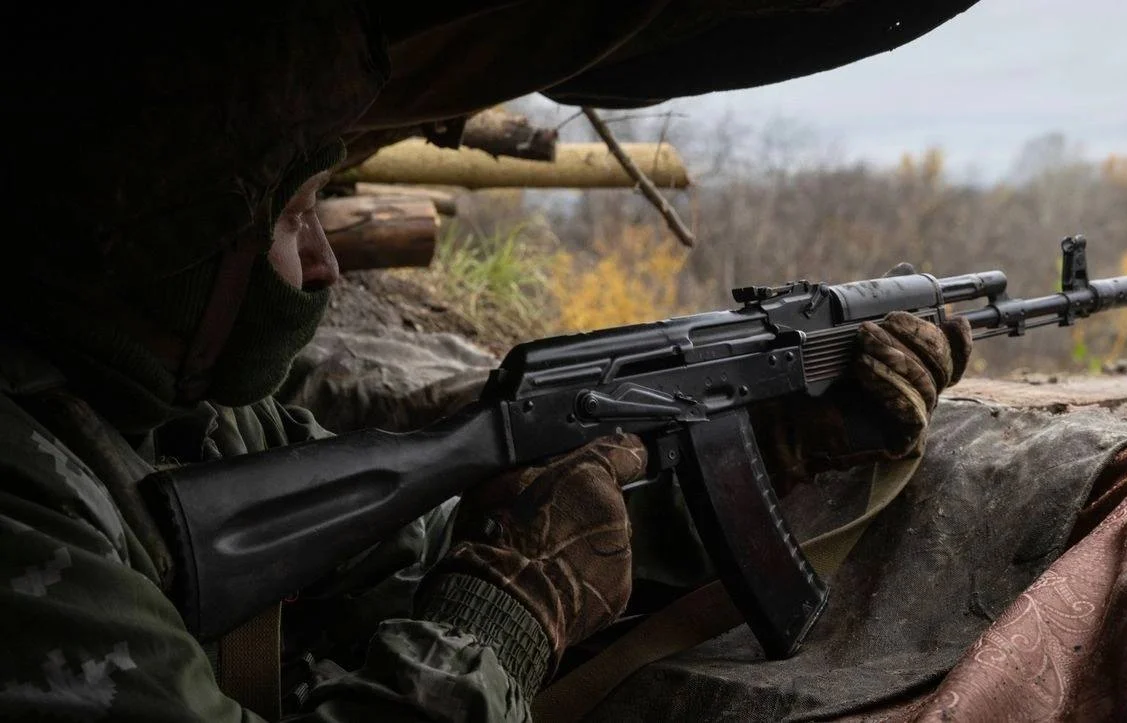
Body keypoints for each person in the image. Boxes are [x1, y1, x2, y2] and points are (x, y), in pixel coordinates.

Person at [0, 7, 972, 722]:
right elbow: (491, 588)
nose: (326, 264)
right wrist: (497, 627)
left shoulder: (173, 415)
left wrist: (766, 443)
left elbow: (446, 546)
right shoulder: (24, 499)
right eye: (295, 217)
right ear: (171, 234)